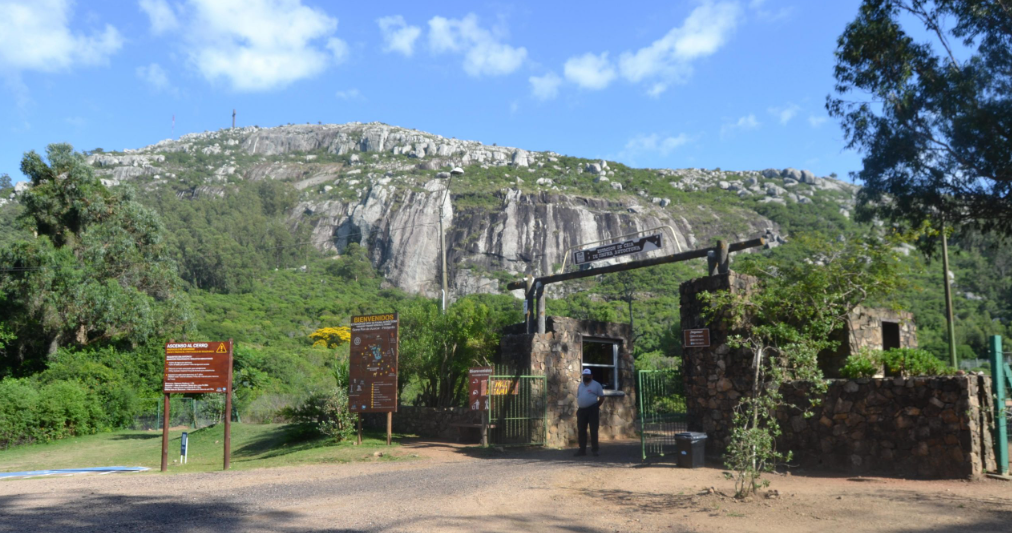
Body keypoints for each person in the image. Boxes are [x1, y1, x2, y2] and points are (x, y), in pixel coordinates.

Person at [575, 368, 605, 457]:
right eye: (584, 375)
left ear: (591, 376)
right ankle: (582, 450)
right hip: (582, 410)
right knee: (581, 430)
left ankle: (595, 450)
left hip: (592, 410)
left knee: (593, 430)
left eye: (587, 375)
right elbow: (579, 396)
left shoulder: (596, 385)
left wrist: (596, 406)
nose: (586, 377)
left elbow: (602, 397)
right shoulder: (581, 385)